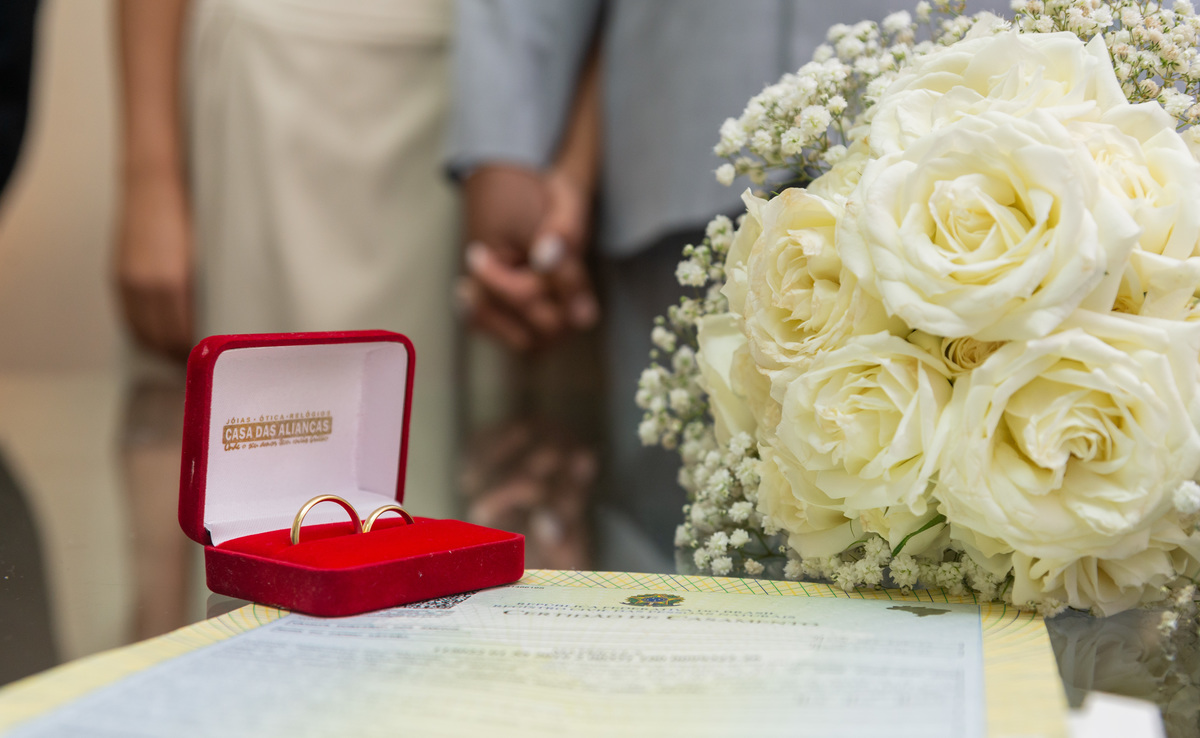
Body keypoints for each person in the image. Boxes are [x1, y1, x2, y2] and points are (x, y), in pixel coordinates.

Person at [448, 1, 1003, 559]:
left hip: (970, 153)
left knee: (973, 517)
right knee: (672, 525)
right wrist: (505, 136)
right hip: (679, 142)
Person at [115, 0, 459, 517]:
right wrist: (149, 176)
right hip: (271, 70)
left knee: (428, 457)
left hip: (454, 83)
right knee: (249, 472)